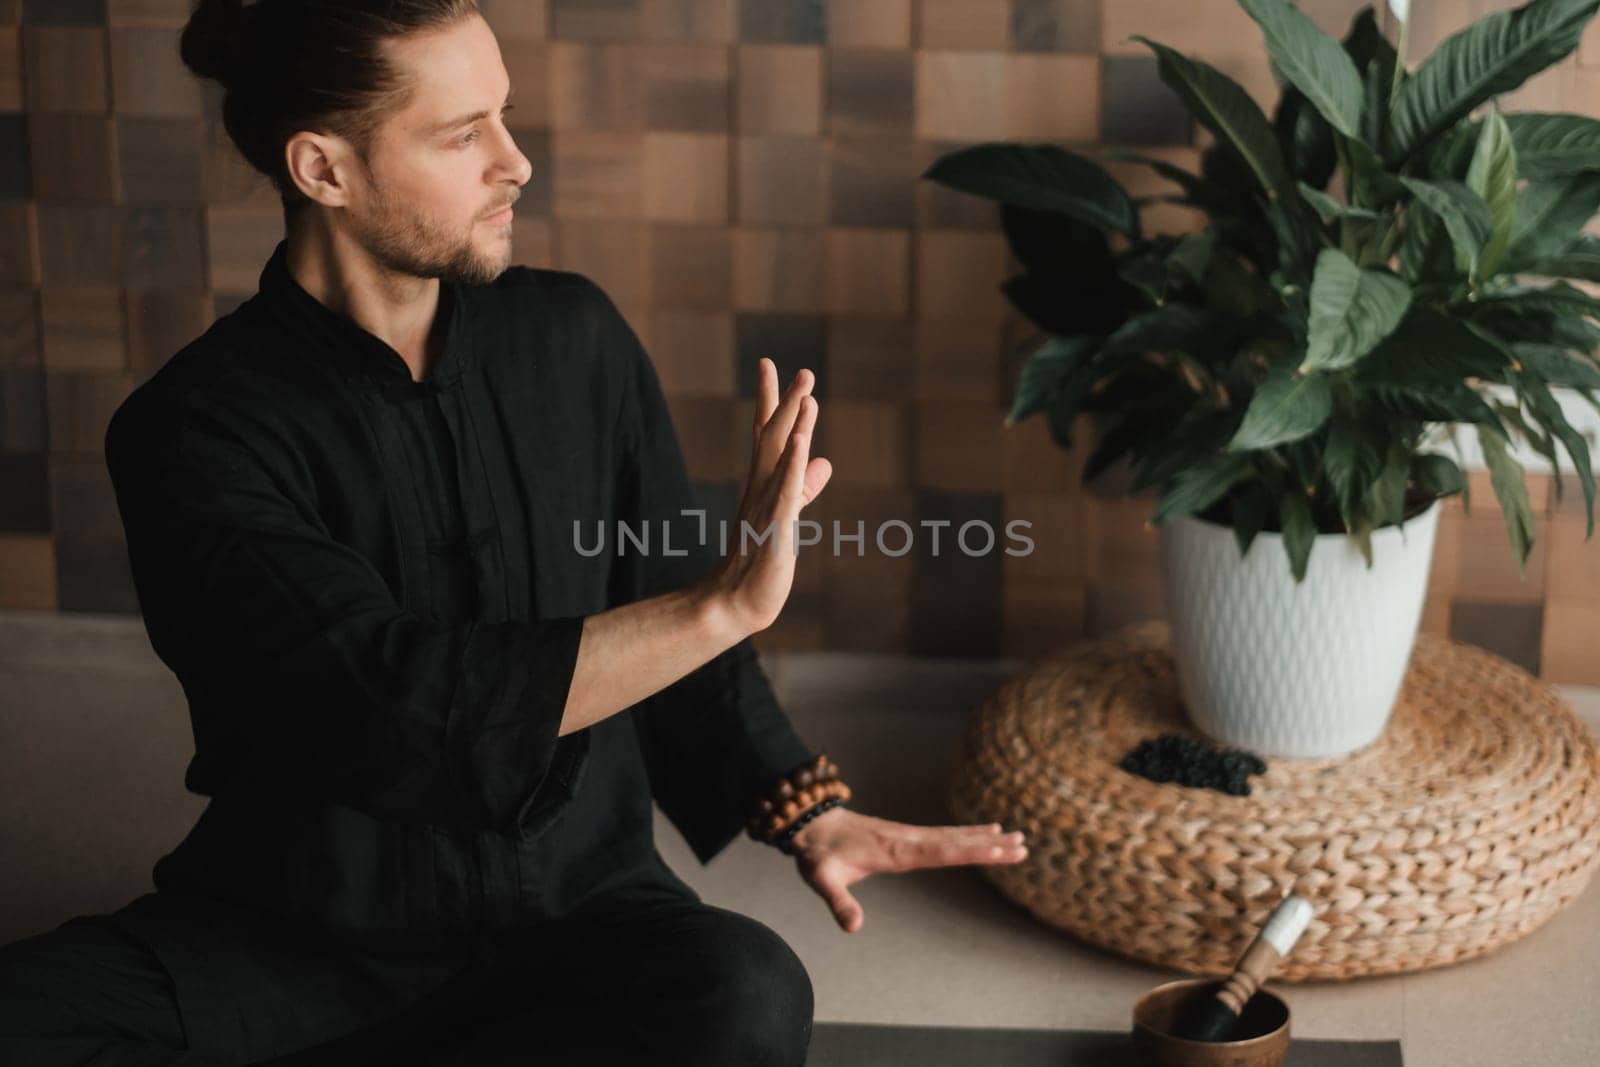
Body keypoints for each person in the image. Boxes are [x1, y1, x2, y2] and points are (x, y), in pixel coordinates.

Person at [0, 2, 1030, 1064]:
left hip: (579, 909)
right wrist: (719, 602)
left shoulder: (574, 338)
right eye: (463, 134)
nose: (517, 162)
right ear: (323, 170)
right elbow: (382, 703)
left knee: (745, 989)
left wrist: (807, 812)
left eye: (506, 116)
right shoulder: (196, 428)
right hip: (304, 935)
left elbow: (671, 620)